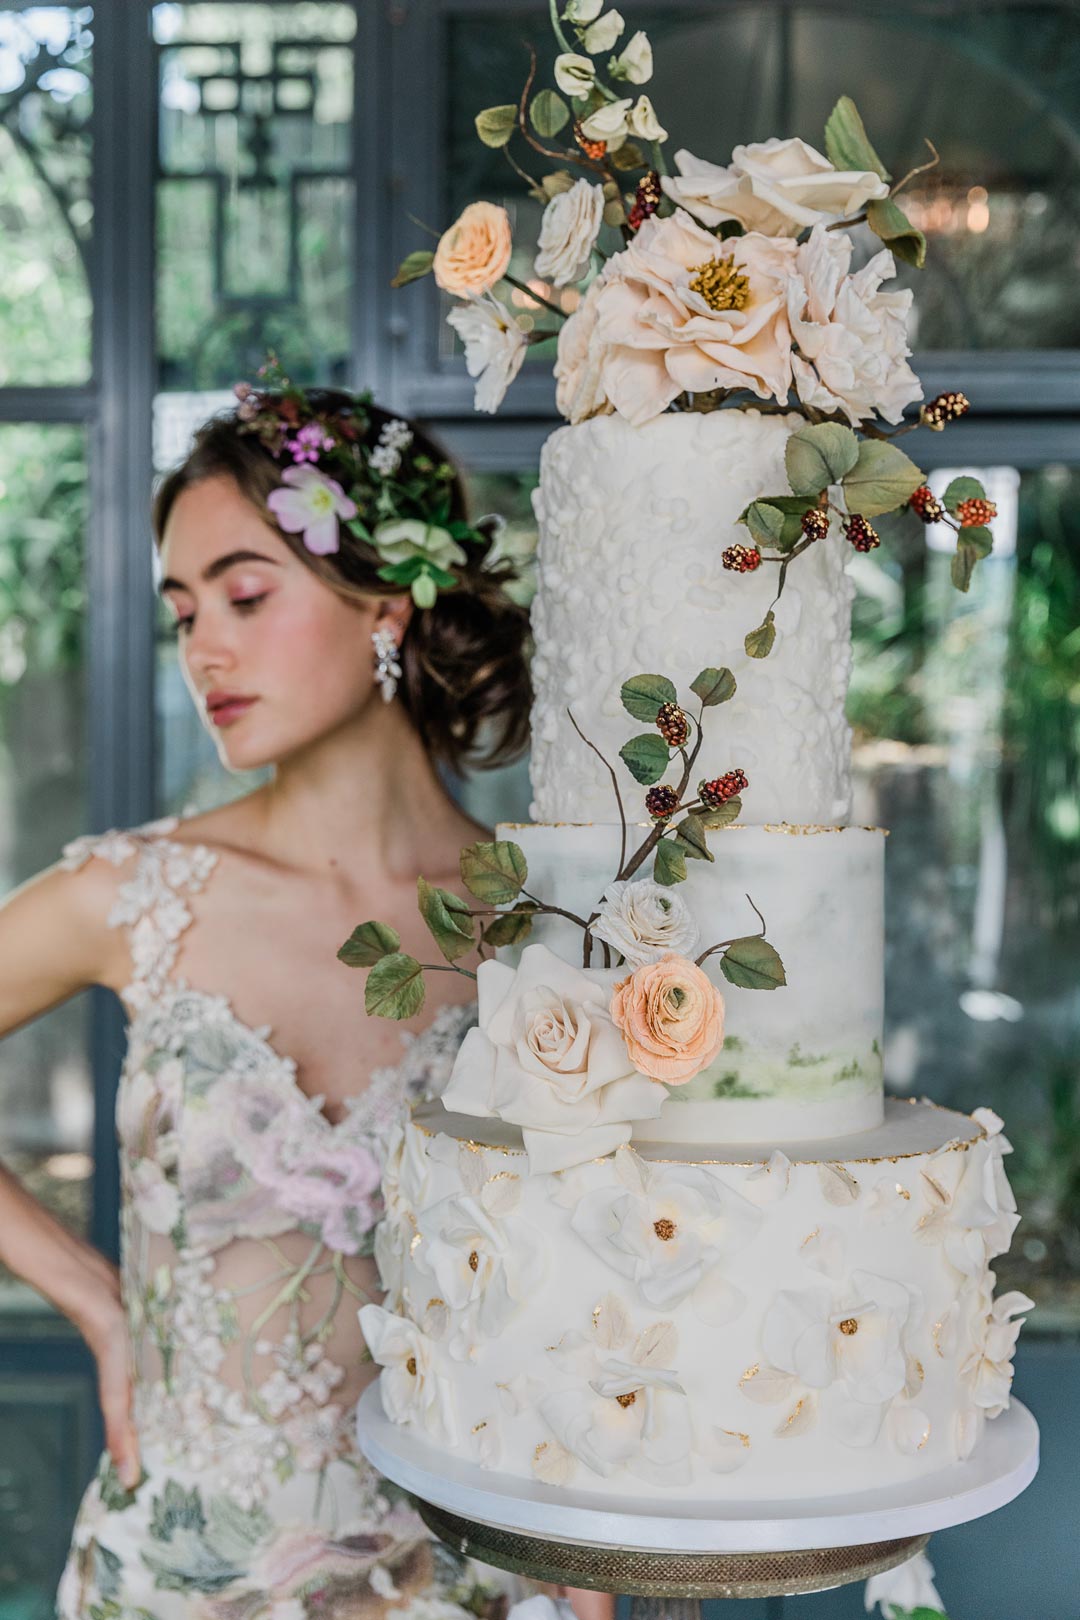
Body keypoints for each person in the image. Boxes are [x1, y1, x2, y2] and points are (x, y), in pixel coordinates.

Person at [0, 363, 606, 1620]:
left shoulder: (544, 924)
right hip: (182, 1570)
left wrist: (588, 1568)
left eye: (244, 593)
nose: (201, 649)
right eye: (181, 612)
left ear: (384, 599)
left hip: (472, 1570)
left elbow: (588, 1285)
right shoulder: (136, 895)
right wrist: (99, 1305)